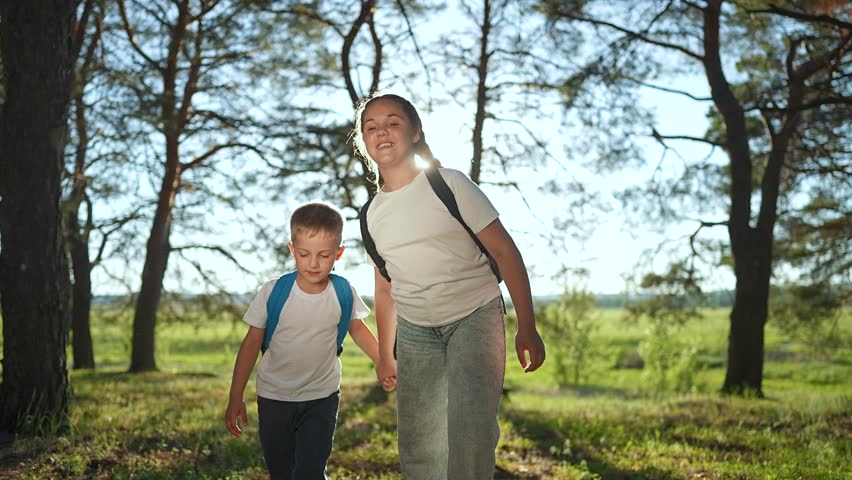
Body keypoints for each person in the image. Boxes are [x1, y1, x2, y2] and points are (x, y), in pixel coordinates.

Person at [353, 93, 546, 479]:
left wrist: (527, 325)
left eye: (392, 122)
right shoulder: (370, 215)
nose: (381, 132)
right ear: (363, 142)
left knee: (470, 433)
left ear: (415, 131)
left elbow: (506, 253)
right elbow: (386, 289)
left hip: (474, 316)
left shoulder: (449, 184)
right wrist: (385, 355)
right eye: (370, 127)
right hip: (415, 331)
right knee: (419, 442)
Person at [224, 201, 382, 480]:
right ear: (292, 250)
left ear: (339, 254)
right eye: (304, 254)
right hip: (274, 398)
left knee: (309, 471)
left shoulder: (343, 291)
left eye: (324, 255)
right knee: (281, 472)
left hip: (322, 397)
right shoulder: (273, 292)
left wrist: (384, 362)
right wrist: (236, 395)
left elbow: (357, 329)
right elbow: (250, 344)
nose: (313, 263)